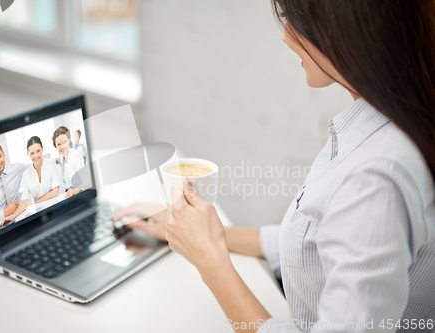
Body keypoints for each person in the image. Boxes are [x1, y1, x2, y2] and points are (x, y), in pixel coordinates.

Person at [113, 1, 435, 332]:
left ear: (344, 27)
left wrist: (210, 260)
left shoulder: (376, 175)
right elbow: (314, 241)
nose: (285, 36)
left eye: (291, 19)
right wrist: (195, 233)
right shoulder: (380, 125)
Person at [22, 136, 59, 204]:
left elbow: (55, 191)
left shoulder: (51, 163)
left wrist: (38, 201)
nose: (36, 156)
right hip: (39, 209)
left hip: (54, 204)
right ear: (28, 154)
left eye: (38, 151)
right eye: (32, 153)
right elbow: (24, 201)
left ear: (42, 149)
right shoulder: (26, 174)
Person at [52, 126, 85, 198]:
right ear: (56, 146)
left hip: (79, 194)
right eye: (59, 144)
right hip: (69, 195)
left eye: (64, 142)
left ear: (69, 140)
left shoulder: (75, 155)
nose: (62, 146)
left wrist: (75, 191)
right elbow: (60, 160)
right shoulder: (62, 157)